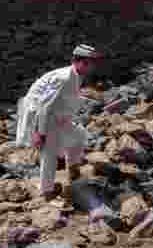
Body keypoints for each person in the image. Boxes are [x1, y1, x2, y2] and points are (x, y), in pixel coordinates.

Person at [16, 44, 102, 200]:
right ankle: (46, 191)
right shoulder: (64, 78)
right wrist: (39, 133)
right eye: (91, 63)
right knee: (50, 152)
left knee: (79, 136)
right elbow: (44, 105)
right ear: (80, 62)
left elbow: (64, 100)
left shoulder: (76, 75)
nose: (93, 67)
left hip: (56, 116)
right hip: (41, 116)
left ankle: (73, 170)